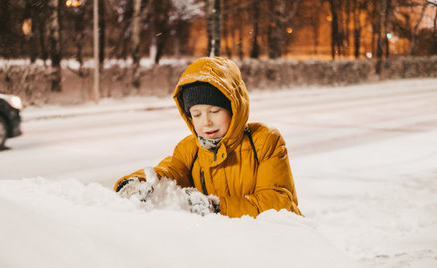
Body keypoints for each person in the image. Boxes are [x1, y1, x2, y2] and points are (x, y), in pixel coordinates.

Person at [114, 56, 302, 218]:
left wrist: (216, 206)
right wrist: (137, 182)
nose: (206, 122)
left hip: (273, 244)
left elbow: (279, 204)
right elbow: (169, 171)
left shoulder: (264, 142)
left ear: (234, 109)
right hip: (219, 247)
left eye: (214, 111)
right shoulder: (189, 149)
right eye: (196, 114)